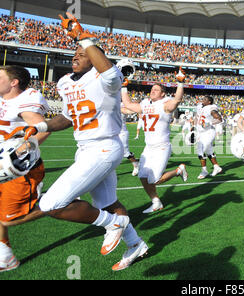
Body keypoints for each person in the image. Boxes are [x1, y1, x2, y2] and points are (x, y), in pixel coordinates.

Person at [27, 13, 147, 271]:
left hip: (104, 147)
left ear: (95, 59)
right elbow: (67, 117)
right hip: (85, 149)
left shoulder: (106, 78)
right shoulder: (64, 83)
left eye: (83, 53)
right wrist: (39, 125)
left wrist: (84, 36)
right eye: (75, 52)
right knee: (108, 204)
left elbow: (108, 70)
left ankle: (113, 224)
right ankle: (135, 243)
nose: (76, 55)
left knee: (50, 204)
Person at [0, 65, 50, 272]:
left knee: (9, 219)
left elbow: (42, 129)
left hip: (19, 168)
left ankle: (60, 201)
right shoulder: (4, 99)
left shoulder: (25, 99)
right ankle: (5, 256)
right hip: (2, 162)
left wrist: (19, 154)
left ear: (14, 82)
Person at [121, 72, 188, 214]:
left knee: (155, 179)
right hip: (149, 147)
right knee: (142, 177)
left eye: (156, 89)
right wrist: (123, 87)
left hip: (161, 146)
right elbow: (127, 104)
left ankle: (178, 171)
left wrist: (180, 83)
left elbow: (176, 101)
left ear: (163, 94)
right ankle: (156, 202)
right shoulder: (145, 104)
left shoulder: (165, 104)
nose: (153, 90)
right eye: (152, 89)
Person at [195, 96, 223, 179]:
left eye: (205, 100)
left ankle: (204, 171)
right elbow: (198, 118)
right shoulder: (200, 107)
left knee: (200, 151)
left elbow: (219, 119)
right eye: (203, 99)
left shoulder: (211, 108)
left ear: (209, 102)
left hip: (208, 132)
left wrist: (209, 123)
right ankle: (216, 167)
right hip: (201, 132)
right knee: (209, 151)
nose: (202, 100)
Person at [119, 104, 139, 176]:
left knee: (125, 152)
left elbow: (127, 111)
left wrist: (135, 110)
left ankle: (136, 165)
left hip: (122, 133)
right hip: (112, 133)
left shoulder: (120, 105)